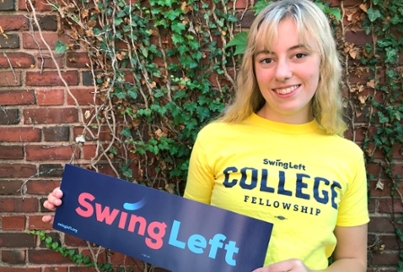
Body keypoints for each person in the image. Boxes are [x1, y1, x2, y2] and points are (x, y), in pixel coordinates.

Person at [43, 0, 369, 271]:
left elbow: (353, 259)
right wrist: (79, 206)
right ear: (253, 68)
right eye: (267, 58)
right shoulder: (215, 139)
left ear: (323, 61)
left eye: (299, 55)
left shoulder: (347, 156)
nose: (282, 72)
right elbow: (184, 244)